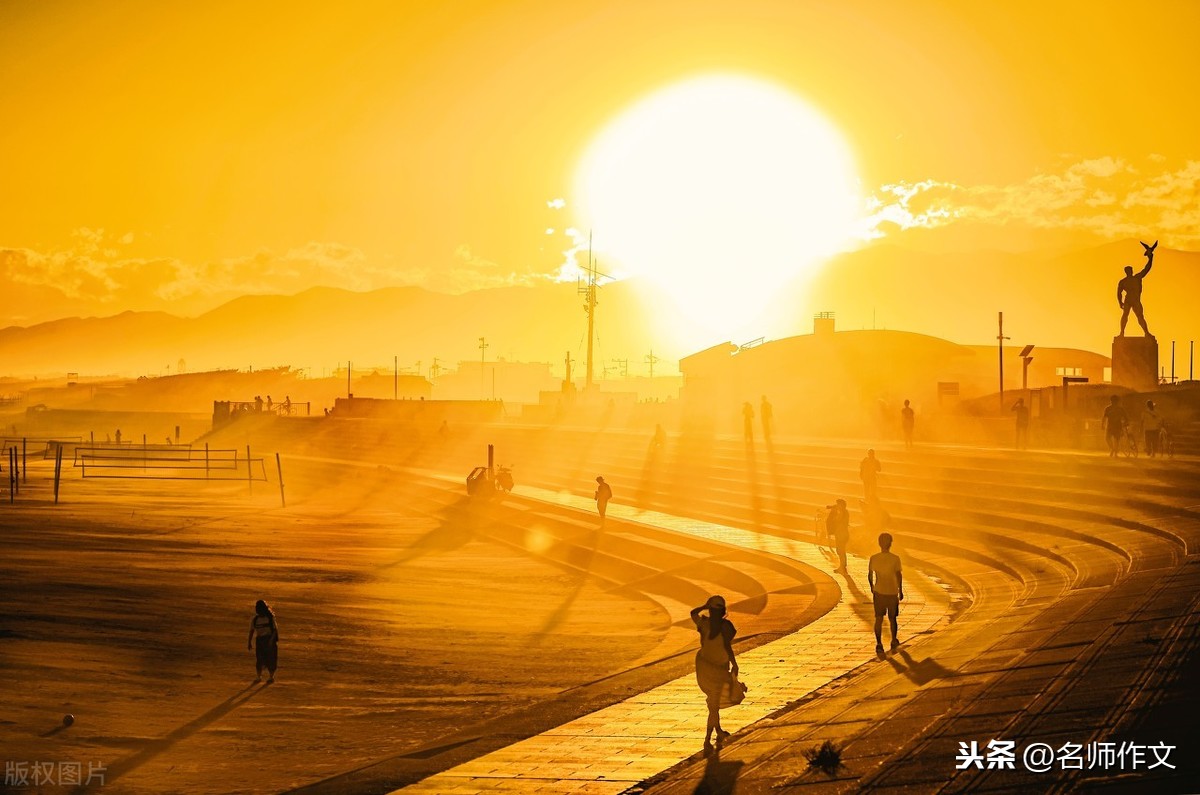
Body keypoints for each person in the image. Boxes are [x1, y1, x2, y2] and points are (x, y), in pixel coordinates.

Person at [690, 595, 738, 754]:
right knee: (714, 705)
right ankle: (707, 739)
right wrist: (734, 663)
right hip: (715, 670)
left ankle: (717, 732)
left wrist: (704, 605)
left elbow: (693, 613)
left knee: (714, 704)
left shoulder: (704, 624)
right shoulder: (725, 626)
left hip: (707, 668)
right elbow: (727, 646)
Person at [868, 533, 903, 653]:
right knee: (892, 618)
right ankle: (893, 640)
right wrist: (900, 590)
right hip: (892, 592)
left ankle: (878, 644)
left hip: (879, 592)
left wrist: (872, 587)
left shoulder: (874, 558)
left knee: (879, 618)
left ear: (879, 544)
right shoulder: (895, 558)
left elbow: (870, 575)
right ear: (891, 544)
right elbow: (899, 575)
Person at [1117, 240, 1157, 336]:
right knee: (1125, 316)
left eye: (1130, 270)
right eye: (1128, 271)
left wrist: (1150, 258)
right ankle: (1122, 332)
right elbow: (1118, 292)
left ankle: (1146, 333)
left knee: (1140, 317)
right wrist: (1120, 302)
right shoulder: (1123, 281)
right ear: (1126, 272)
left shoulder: (1137, 278)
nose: (1129, 272)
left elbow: (1147, 268)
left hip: (1135, 300)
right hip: (1129, 300)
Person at [247, 599, 280, 683]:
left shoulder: (270, 618)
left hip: (269, 640)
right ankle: (259, 677)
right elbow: (251, 631)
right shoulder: (255, 619)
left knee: (271, 659)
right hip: (260, 641)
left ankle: (271, 677)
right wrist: (249, 642)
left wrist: (271, 641)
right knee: (260, 659)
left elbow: (275, 630)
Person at [826, 498, 850, 571]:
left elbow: (836, 520)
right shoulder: (844, 512)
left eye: (838, 504)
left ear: (842, 505)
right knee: (841, 550)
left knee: (840, 550)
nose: (837, 506)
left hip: (841, 534)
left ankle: (842, 567)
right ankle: (843, 565)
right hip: (842, 533)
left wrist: (833, 513)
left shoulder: (843, 513)